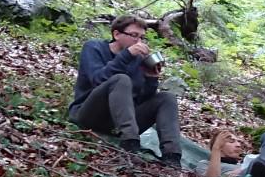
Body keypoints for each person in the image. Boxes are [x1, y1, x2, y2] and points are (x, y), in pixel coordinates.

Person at [69, 15, 183, 167]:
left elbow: (141, 100)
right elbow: (97, 79)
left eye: (142, 37)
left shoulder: (136, 60)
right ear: (116, 34)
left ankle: (172, 156)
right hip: (90, 113)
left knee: (167, 97)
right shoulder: (94, 47)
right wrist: (126, 56)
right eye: (134, 35)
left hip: (118, 122)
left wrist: (150, 79)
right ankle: (130, 143)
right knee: (121, 79)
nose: (138, 42)